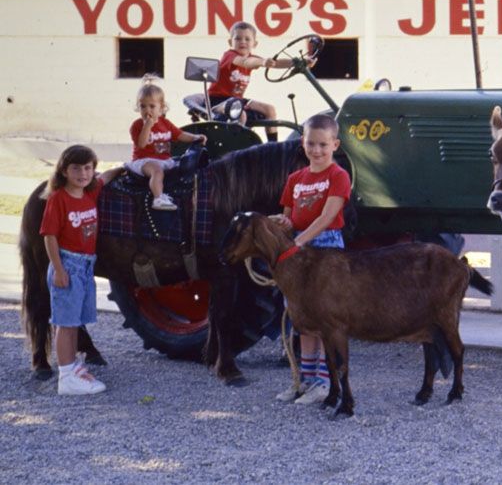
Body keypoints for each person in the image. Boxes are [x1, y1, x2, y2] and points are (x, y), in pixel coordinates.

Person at [271, 113, 351, 404]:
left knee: (323, 316)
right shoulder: (295, 179)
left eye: (322, 145)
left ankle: (324, 381)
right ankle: (305, 379)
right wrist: (283, 224)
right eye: (310, 144)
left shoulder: (338, 176)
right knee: (301, 316)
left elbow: (328, 216)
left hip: (326, 247)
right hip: (300, 248)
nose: (316, 150)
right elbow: (291, 219)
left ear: (335, 145)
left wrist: (300, 240)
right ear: (302, 143)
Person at [40, 145, 120, 395]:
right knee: (65, 322)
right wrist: (59, 269)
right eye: (76, 168)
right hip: (68, 264)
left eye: (88, 168)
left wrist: (125, 168)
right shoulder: (58, 199)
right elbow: (49, 236)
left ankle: (73, 366)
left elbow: (105, 177)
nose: (83, 173)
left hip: (85, 264)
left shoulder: (90, 193)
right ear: (64, 170)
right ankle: (66, 377)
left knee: (74, 322)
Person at [208, 21, 309, 142]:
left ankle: (272, 145)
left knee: (270, 109)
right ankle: (238, 142)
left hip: (236, 100)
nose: (242, 42)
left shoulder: (253, 58)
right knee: (240, 114)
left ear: (254, 43)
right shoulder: (230, 56)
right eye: (238, 38)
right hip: (218, 99)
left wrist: (300, 62)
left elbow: (275, 63)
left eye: (247, 39)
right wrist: (262, 62)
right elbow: (245, 62)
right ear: (230, 42)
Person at [127, 75, 206, 211]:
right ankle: (158, 199)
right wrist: (148, 126)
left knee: (182, 169)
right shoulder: (137, 125)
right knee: (157, 171)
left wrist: (195, 137)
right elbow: (141, 144)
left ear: (161, 107)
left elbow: (180, 134)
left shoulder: (165, 124)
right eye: (143, 106)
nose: (147, 110)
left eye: (152, 106)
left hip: (164, 159)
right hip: (144, 161)